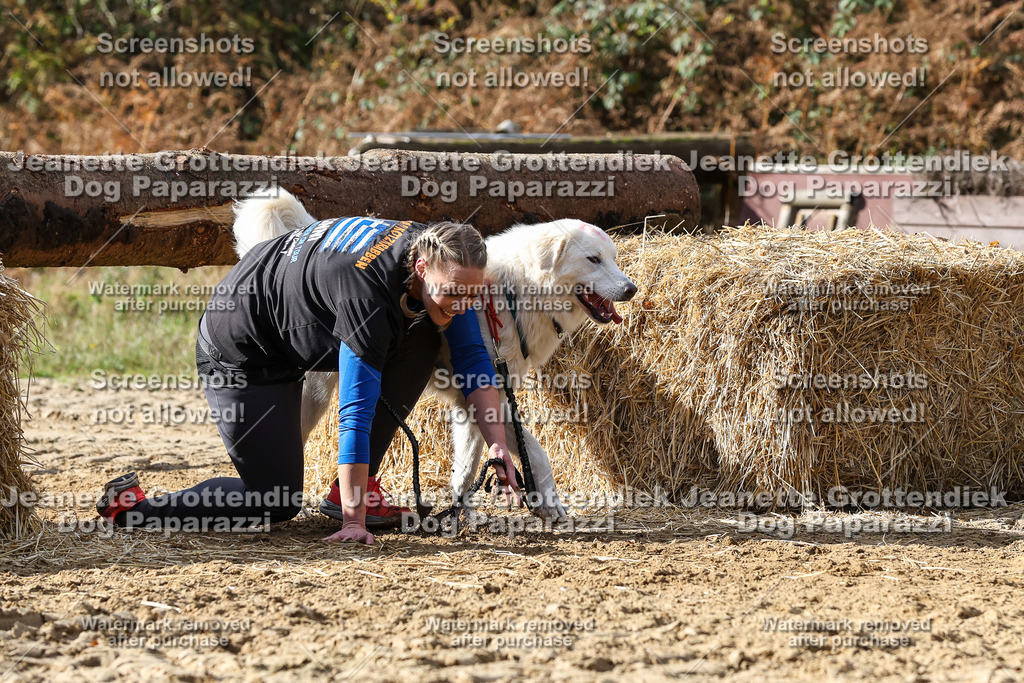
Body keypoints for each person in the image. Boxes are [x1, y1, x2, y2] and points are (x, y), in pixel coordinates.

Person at [96, 215, 520, 545]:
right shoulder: (366, 296)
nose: (464, 305)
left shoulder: (444, 255)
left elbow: (470, 356)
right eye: (454, 293)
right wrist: (355, 525)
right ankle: (135, 508)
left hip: (293, 325)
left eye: (473, 295)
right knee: (274, 499)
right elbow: (354, 409)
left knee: (429, 330)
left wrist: (498, 442)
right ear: (422, 267)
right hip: (241, 348)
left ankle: (350, 489)